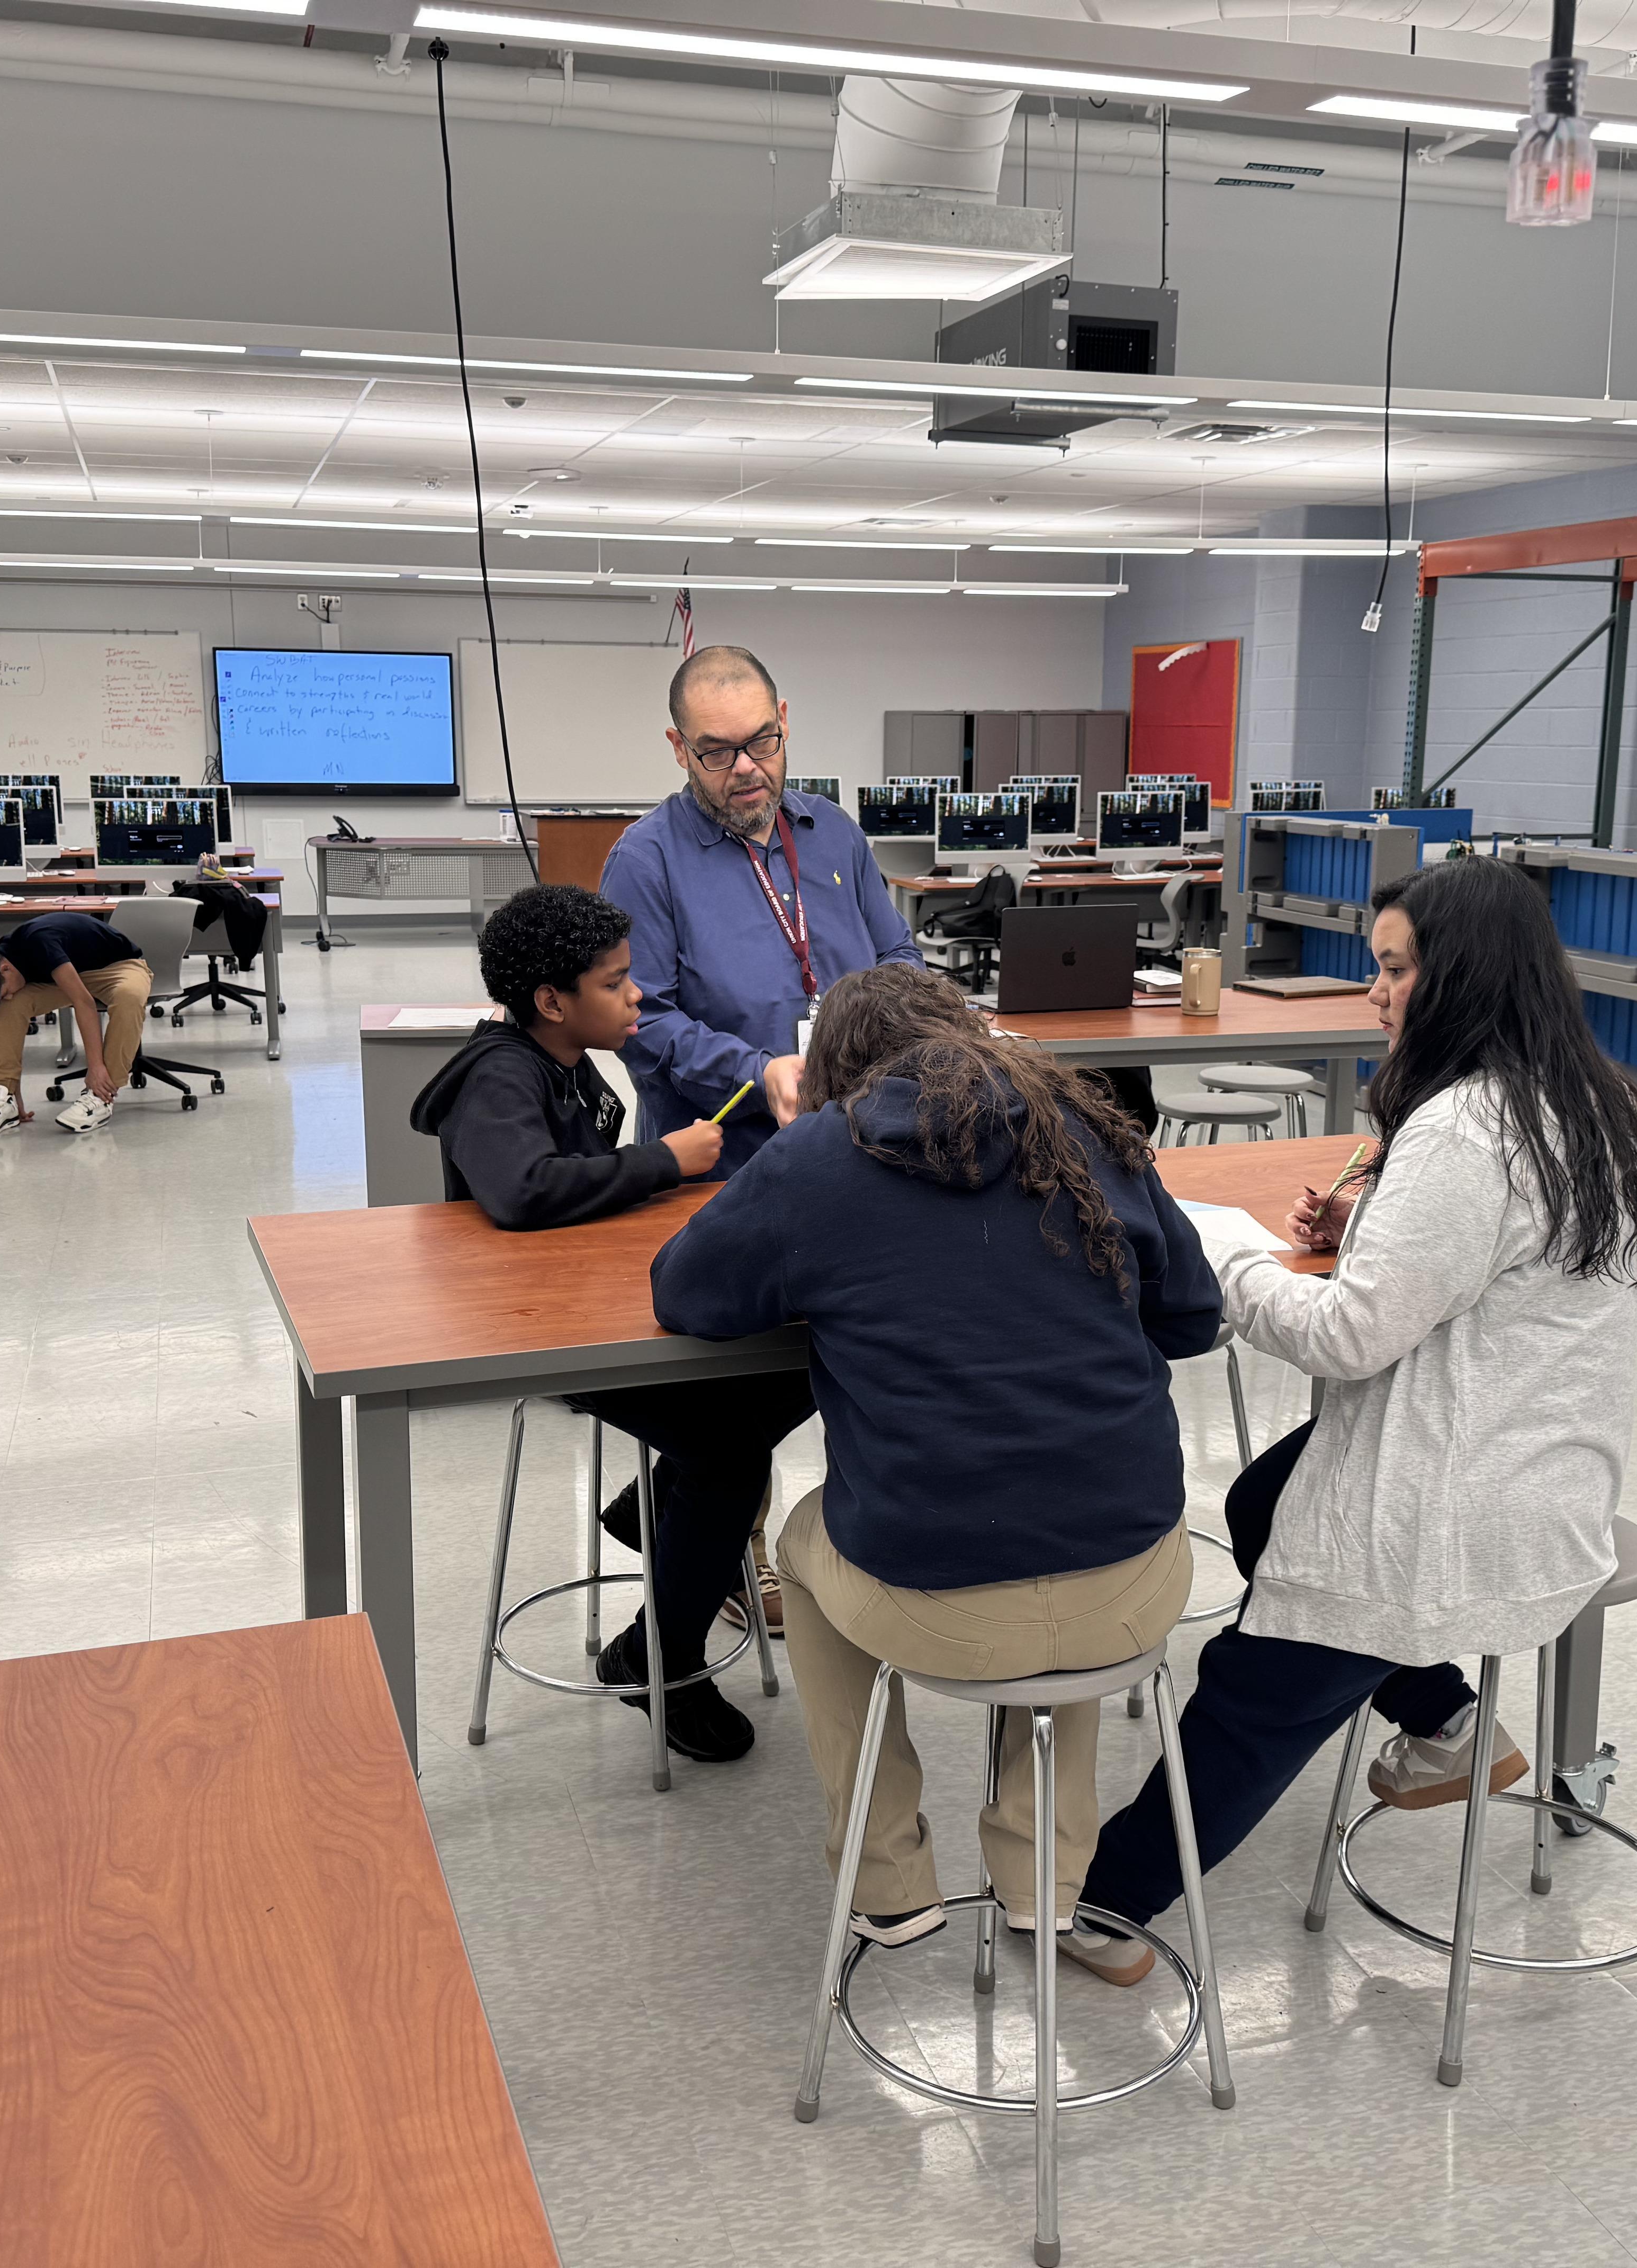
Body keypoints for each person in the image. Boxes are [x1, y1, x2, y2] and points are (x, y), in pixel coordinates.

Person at [1076, 855, 1637, 1954]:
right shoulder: (1591, 1100)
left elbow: (1349, 1341)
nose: (1379, 994)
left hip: (1450, 1508)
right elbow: (1503, 1263)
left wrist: (1228, 1259)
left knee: (1252, 1687)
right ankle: (1446, 1721)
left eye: (1397, 971)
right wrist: (1377, 1237)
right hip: (1548, 1470)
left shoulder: (1461, 1131)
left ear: (1468, 978)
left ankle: (1109, 1908)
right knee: (1262, 1501)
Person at [651, 963, 1222, 1981]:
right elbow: (1188, 1315)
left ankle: (887, 1881)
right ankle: (1044, 1880)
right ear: (966, 1033)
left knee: (806, 1538)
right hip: (1138, 1584)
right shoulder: (1080, 1130)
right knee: (1072, 1517)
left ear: (837, 1070)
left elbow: (687, 1292)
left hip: (935, 1600)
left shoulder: (817, 1158)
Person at [410, 882, 811, 1765]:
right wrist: (663, 1161)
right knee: (731, 1455)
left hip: (591, 1295)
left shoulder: (568, 1056)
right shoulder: (500, 1075)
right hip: (542, 1328)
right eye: (617, 982)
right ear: (553, 1001)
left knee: (806, 1355)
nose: (637, 997)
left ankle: (662, 1503)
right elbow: (520, 1190)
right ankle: (661, 1660)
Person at [601, 645, 924, 1178]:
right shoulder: (644, 862)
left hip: (861, 1144)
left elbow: (897, 953)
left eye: (761, 741)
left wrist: (901, 1028)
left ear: (784, 721)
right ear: (679, 749)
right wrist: (758, 1074)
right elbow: (640, 1021)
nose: (747, 767)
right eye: (718, 752)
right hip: (724, 1171)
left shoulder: (835, 832)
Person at [0, 910, 151, 1137]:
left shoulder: (40, 941)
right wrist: (14, 1090)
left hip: (118, 967)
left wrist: (95, 1066)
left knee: (130, 997)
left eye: (4, 991)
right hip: (63, 975)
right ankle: (4, 1096)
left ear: (5, 969)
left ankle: (101, 1095)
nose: (7, 995)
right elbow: (11, 993)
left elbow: (84, 1002)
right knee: (10, 1006)